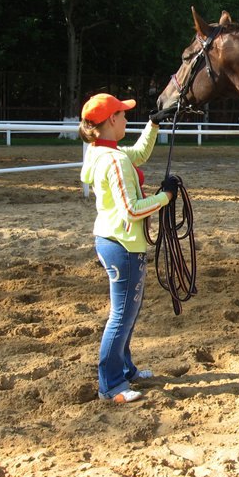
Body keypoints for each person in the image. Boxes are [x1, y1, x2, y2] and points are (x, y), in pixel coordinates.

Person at [78, 93, 177, 403]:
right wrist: (166, 198)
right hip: (123, 245)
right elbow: (132, 210)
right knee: (122, 316)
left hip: (111, 241)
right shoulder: (115, 160)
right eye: (122, 115)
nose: (125, 119)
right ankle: (110, 385)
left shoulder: (101, 151)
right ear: (111, 121)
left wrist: (153, 124)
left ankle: (125, 370)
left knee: (127, 314)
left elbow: (138, 153)